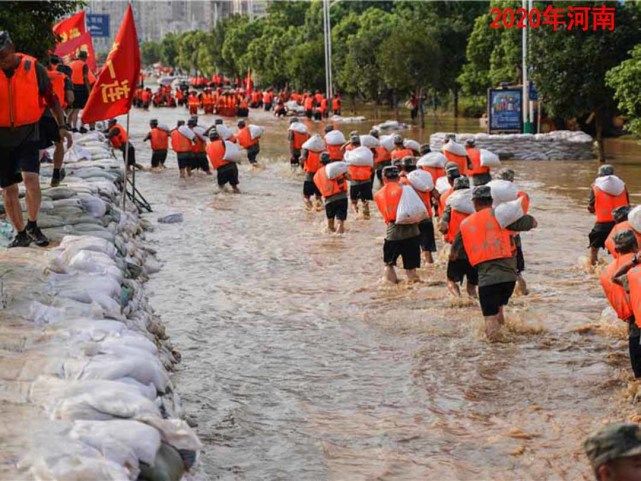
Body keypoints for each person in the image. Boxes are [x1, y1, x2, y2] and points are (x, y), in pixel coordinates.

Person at [0, 31, 69, 247]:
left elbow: (52, 99)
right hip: (1, 138)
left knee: (31, 179)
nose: (3, 61)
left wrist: (62, 125)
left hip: (28, 132)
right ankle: (20, 233)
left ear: (13, 48)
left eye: (4, 56)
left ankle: (32, 224)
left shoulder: (33, 68)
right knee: (8, 189)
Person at [454, 185, 537, 340]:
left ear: (474, 203)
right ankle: (505, 348)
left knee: (490, 319)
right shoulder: (502, 216)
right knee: (499, 310)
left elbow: (455, 252)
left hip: (488, 279)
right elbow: (532, 223)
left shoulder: (465, 224)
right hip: (509, 278)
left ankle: (495, 356)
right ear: (491, 201)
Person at [600, 230, 641, 378]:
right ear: (636, 246)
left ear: (616, 249)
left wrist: (634, 261)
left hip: (634, 320)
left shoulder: (629, 273)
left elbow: (615, 278)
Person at [374, 165, 422, 283]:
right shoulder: (406, 189)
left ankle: (391, 289)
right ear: (397, 176)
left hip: (394, 232)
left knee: (389, 264)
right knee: (411, 269)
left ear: (384, 177)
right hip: (413, 231)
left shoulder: (379, 194)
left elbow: (384, 215)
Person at [440, 177, 477, 297]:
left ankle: (458, 299)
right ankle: (475, 304)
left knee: (451, 280)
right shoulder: (477, 203)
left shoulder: (451, 204)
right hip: (475, 250)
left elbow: (443, 226)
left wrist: (444, 233)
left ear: (454, 188)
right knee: (472, 286)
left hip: (457, 249)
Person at [498, 168, 531, 294]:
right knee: (517, 271)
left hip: (497, 235)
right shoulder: (519, 194)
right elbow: (523, 214)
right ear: (512, 180)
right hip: (514, 236)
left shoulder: (492, 192)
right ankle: (522, 294)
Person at [589, 165, 630, 266]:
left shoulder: (595, 186)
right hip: (621, 225)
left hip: (602, 224)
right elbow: (627, 204)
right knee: (621, 250)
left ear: (600, 174)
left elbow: (591, 207)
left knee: (594, 248)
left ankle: (592, 270)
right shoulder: (622, 185)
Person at [46, 55, 74, 187]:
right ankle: (56, 174)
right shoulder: (64, 77)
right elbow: (70, 97)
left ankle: (28, 172)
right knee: (59, 143)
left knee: (33, 144)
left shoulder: (39, 74)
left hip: (37, 111)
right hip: (56, 112)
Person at [314, 154, 348, 234]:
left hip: (328, 200)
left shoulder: (316, 175)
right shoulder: (336, 170)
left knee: (330, 225)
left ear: (320, 162)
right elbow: (347, 178)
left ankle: (331, 242)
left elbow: (318, 192)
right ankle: (339, 240)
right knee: (340, 223)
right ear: (330, 161)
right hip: (341, 197)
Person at [206, 128, 239, 193]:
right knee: (234, 187)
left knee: (221, 188)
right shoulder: (224, 142)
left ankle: (225, 201)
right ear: (218, 137)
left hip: (221, 170)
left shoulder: (207, 147)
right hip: (232, 166)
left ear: (210, 138)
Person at [68, 50, 94, 132]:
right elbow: (85, 78)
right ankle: (82, 126)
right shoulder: (84, 65)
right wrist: (89, 90)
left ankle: (74, 127)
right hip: (81, 88)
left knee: (75, 109)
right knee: (84, 109)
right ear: (85, 58)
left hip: (72, 87)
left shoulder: (71, 64)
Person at [346, 143, 373, 219]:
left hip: (354, 182)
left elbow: (346, 172)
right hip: (366, 181)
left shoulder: (350, 156)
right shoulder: (366, 155)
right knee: (365, 201)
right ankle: (366, 216)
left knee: (354, 202)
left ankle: (357, 215)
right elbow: (372, 168)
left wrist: (350, 179)